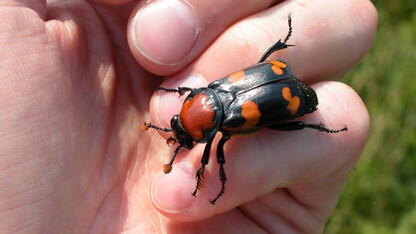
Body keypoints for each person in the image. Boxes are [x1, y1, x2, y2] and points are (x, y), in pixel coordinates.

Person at [0, 0, 376, 232]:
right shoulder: (210, 95)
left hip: (291, 96)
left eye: (181, 131)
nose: (178, 137)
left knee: (251, 136)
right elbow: (198, 109)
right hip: (274, 84)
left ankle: (322, 125)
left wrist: (208, 179)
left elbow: (214, 159)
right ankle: (323, 125)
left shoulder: (221, 126)